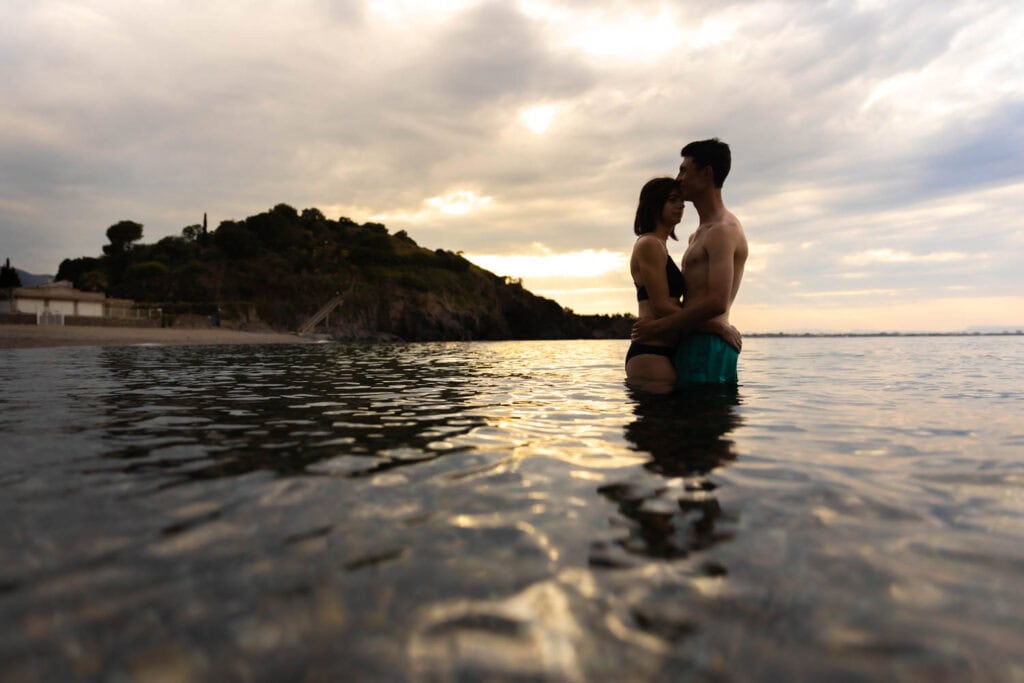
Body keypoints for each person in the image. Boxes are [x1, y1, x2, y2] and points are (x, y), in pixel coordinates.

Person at [632, 138, 748, 386]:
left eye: (684, 169)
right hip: (692, 342)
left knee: (702, 422)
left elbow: (716, 302)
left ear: (706, 174)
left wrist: (658, 327)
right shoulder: (698, 234)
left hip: (707, 346)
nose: (679, 177)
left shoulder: (721, 231)